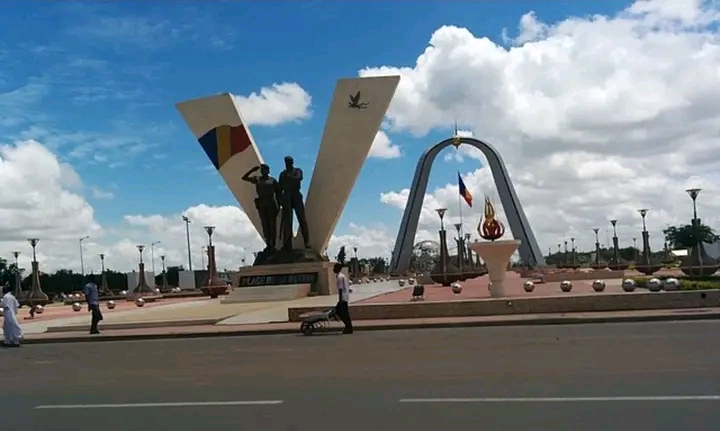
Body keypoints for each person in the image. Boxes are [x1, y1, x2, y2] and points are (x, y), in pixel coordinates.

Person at [242, 164, 281, 251]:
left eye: (266, 170)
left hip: (271, 204)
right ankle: (268, 244)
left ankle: (273, 245)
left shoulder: (273, 181)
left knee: (272, 225)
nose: (264, 171)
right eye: (262, 170)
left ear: (268, 171)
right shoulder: (258, 179)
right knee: (265, 225)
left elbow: (278, 193)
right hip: (262, 204)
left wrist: (279, 205)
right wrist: (252, 170)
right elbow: (244, 178)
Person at [333, 263, 353, 334]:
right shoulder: (341, 276)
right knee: (344, 313)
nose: (333, 269)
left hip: (343, 298)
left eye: (335, 268)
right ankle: (348, 327)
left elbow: (341, 289)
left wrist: (340, 300)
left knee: (340, 312)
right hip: (345, 297)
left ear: (338, 268)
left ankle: (348, 327)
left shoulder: (340, 277)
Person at [1, 283, 23, 347]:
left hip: (8, 313)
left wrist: (1, 302)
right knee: (12, 327)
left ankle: (9, 341)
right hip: (12, 313)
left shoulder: (5, 297)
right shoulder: (12, 297)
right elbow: (17, 305)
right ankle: (13, 341)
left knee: (8, 328)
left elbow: (4, 305)